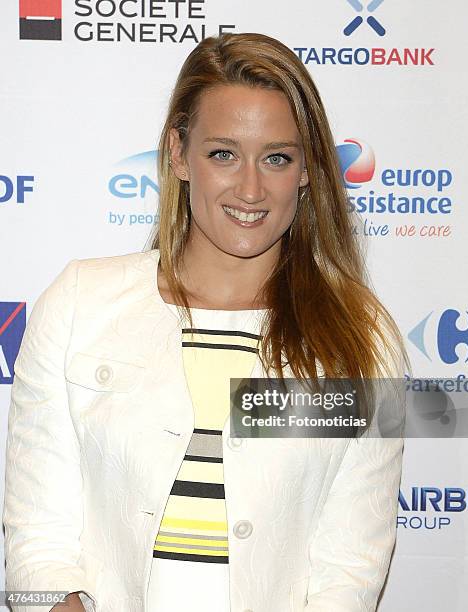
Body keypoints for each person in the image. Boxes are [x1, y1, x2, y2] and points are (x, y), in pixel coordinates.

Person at [3, 32, 409, 612]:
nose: (250, 188)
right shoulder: (78, 304)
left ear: (307, 170)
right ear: (178, 154)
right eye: (223, 153)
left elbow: (350, 567)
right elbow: (34, 537)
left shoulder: (359, 336)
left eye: (277, 157)